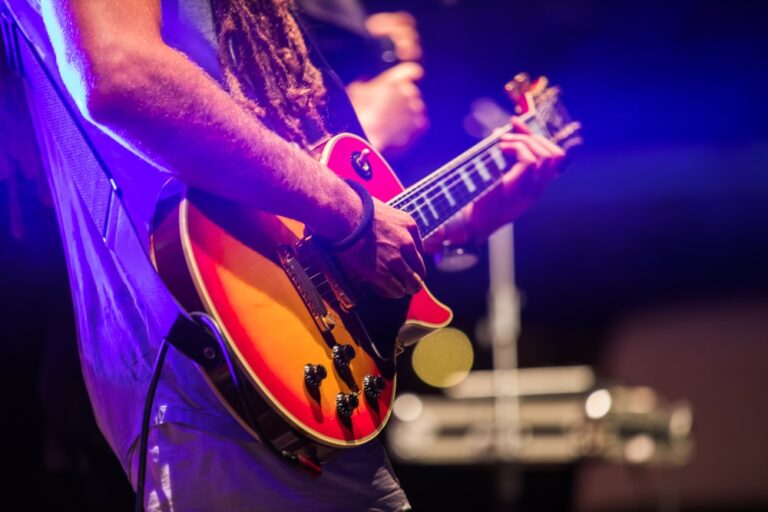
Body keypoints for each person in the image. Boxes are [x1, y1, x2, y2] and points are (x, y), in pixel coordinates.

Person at [36, 0, 566, 510]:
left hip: (281, 365)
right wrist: (349, 213)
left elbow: (311, 230)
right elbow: (120, 74)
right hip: (209, 374)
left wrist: (464, 223)